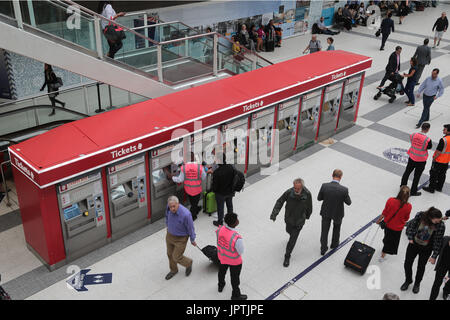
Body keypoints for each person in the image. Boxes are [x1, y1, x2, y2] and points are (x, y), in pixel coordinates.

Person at [401, 207, 446, 293]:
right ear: (430, 217)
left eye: (439, 220)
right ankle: (408, 280)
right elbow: (411, 226)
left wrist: (434, 256)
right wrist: (410, 237)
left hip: (426, 248)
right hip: (413, 244)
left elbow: (438, 241)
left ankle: (417, 283)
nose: (438, 222)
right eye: (436, 221)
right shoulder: (420, 215)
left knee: (421, 267)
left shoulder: (440, 225)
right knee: (407, 263)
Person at [270, 178, 313, 267]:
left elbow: (309, 206)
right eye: (295, 188)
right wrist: (274, 214)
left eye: (298, 189)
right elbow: (280, 202)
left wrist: (307, 216)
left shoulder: (307, 194)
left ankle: (287, 256)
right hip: (289, 220)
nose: (296, 190)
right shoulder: (289, 192)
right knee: (288, 231)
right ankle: (290, 237)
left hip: (299, 221)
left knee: (292, 240)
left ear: (302, 187)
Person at [317, 169, 352, 255]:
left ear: (332, 175)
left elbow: (319, 198)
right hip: (338, 213)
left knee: (324, 231)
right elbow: (349, 203)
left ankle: (323, 248)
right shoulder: (344, 190)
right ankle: (334, 244)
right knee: (337, 228)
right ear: (340, 177)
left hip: (326, 211)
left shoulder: (324, 186)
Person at [376, 186, 412, 262]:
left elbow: (385, 212)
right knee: (392, 242)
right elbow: (406, 218)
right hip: (398, 228)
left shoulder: (390, 200)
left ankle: (385, 246)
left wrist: (379, 220)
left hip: (388, 225)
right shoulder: (408, 206)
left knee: (387, 237)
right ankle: (383, 255)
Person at [164, 196, 196, 280]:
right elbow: (167, 216)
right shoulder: (168, 207)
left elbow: (191, 228)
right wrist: (168, 224)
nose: (172, 208)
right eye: (170, 207)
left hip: (181, 239)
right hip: (170, 235)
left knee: (176, 256)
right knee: (169, 254)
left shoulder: (186, 214)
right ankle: (173, 270)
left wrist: (192, 239)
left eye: (174, 206)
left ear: (178, 204)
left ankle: (188, 263)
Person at [216, 212, 247, 300]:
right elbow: (240, 251)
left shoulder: (220, 229)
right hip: (234, 262)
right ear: (234, 223)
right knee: (235, 279)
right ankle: (236, 295)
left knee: (221, 272)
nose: (238, 221)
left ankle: (220, 285)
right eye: (237, 220)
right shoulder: (236, 237)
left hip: (222, 257)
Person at [171, 152, 207, 221]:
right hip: (197, 189)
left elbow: (180, 179)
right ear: (194, 158)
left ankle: (195, 209)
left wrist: (172, 178)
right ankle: (193, 216)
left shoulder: (183, 168)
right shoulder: (199, 167)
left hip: (188, 190)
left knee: (192, 202)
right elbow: (204, 177)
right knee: (194, 202)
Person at [400, 122, 432, 196]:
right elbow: (429, 147)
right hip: (421, 160)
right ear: (427, 129)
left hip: (412, 157)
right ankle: (413, 191)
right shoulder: (427, 139)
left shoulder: (413, 135)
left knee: (407, 172)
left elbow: (412, 141)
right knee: (417, 176)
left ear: (421, 127)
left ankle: (402, 185)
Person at [423, 124, 450, 193]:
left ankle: (431, 188)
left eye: (445, 129)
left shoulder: (443, 140)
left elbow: (438, 151)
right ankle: (439, 187)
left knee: (433, 174)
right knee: (442, 174)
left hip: (439, 160)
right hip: (446, 160)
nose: (443, 130)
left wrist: (434, 158)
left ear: (448, 131)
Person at [212, 152, 235, 227]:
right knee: (230, 206)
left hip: (220, 194)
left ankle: (220, 222)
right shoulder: (230, 167)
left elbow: (215, 187)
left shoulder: (216, 173)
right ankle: (230, 221)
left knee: (220, 208)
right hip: (230, 191)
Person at [429, 236, 450, 300]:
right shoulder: (445, 239)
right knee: (437, 283)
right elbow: (438, 248)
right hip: (442, 264)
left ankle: (446, 291)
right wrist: (434, 257)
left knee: (449, 282)